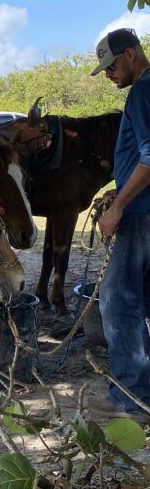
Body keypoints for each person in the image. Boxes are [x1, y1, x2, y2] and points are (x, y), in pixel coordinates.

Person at [91, 27, 150, 419]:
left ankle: (131, 398)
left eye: (111, 65)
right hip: (139, 205)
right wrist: (118, 190)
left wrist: (117, 208)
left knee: (117, 299)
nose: (109, 73)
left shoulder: (144, 90)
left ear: (130, 54)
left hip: (140, 213)